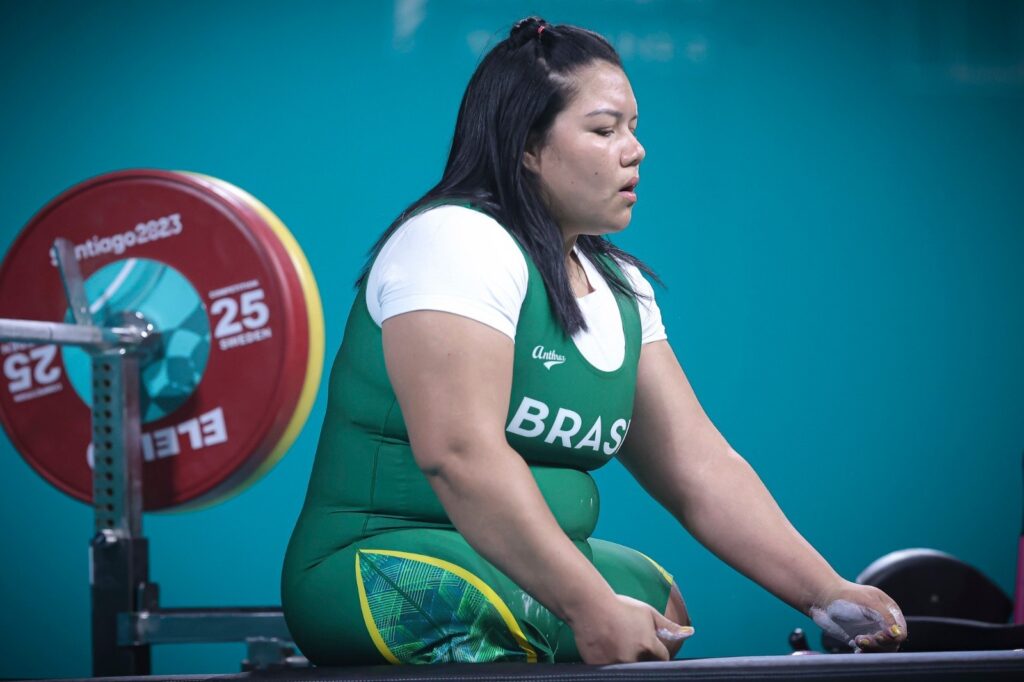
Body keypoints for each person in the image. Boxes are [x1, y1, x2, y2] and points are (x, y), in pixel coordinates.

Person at [281, 16, 907, 666]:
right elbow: (458, 455)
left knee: (657, 603)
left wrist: (828, 593)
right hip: (378, 562)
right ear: (526, 146)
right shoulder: (455, 242)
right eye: (605, 130)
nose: (634, 150)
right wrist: (587, 605)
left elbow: (700, 471)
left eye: (634, 128)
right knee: (497, 611)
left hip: (520, 574)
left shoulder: (622, 286)